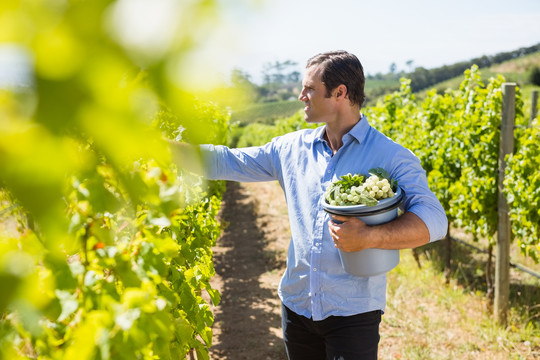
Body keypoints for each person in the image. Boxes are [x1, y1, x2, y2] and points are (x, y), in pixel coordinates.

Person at [170, 50, 448, 360]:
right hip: (296, 305)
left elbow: (434, 220)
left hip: (352, 313)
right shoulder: (290, 148)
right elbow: (225, 161)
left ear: (339, 93)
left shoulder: (391, 156)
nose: (301, 96)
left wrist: (370, 237)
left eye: (310, 88)